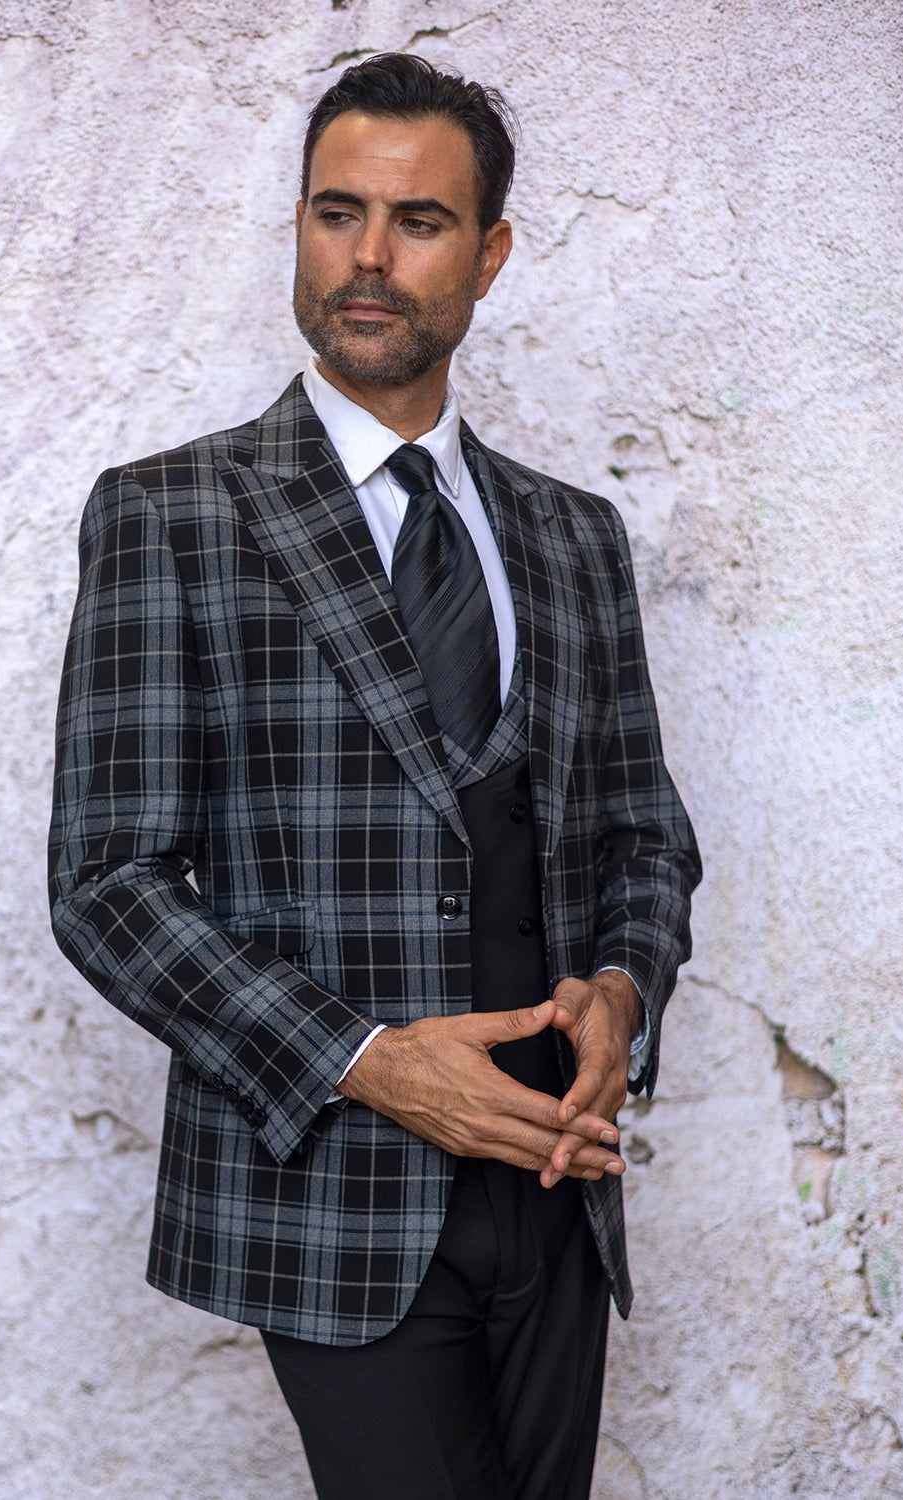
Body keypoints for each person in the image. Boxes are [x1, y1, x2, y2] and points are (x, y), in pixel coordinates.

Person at [49, 52, 700, 1500]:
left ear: (489, 253)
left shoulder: (571, 536)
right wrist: (368, 1061)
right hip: (332, 1193)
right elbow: (108, 886)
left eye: (415, 223)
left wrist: (621, 987)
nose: (365, 257)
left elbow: (644, 835)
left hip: (557, 1180)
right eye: (335, 212)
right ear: (297, 225)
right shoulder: (174, 514)